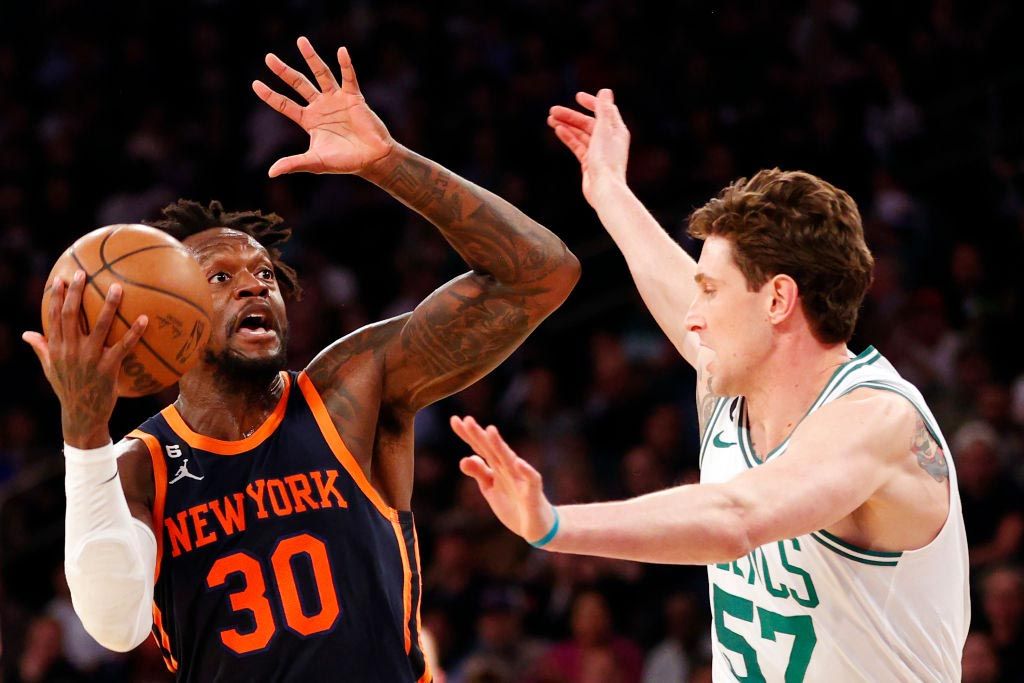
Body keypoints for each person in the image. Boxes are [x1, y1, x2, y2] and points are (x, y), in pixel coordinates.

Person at [21, 37, 580, 682]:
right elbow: (115, 624)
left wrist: (389, 163)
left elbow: (542, 275)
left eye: (265, 273)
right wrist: (86, 434)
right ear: (171, 313)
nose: (257, 284)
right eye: (222, 278)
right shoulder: (141, 468)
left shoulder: (351, 390)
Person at [450, 89, 969, 680]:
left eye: (713, 291)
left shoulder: (880, 420)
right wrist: (610, 191)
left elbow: (735, 518)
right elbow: (670, 282)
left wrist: (555, 525)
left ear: (777, 299)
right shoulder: (728, 385)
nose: (692, 315)